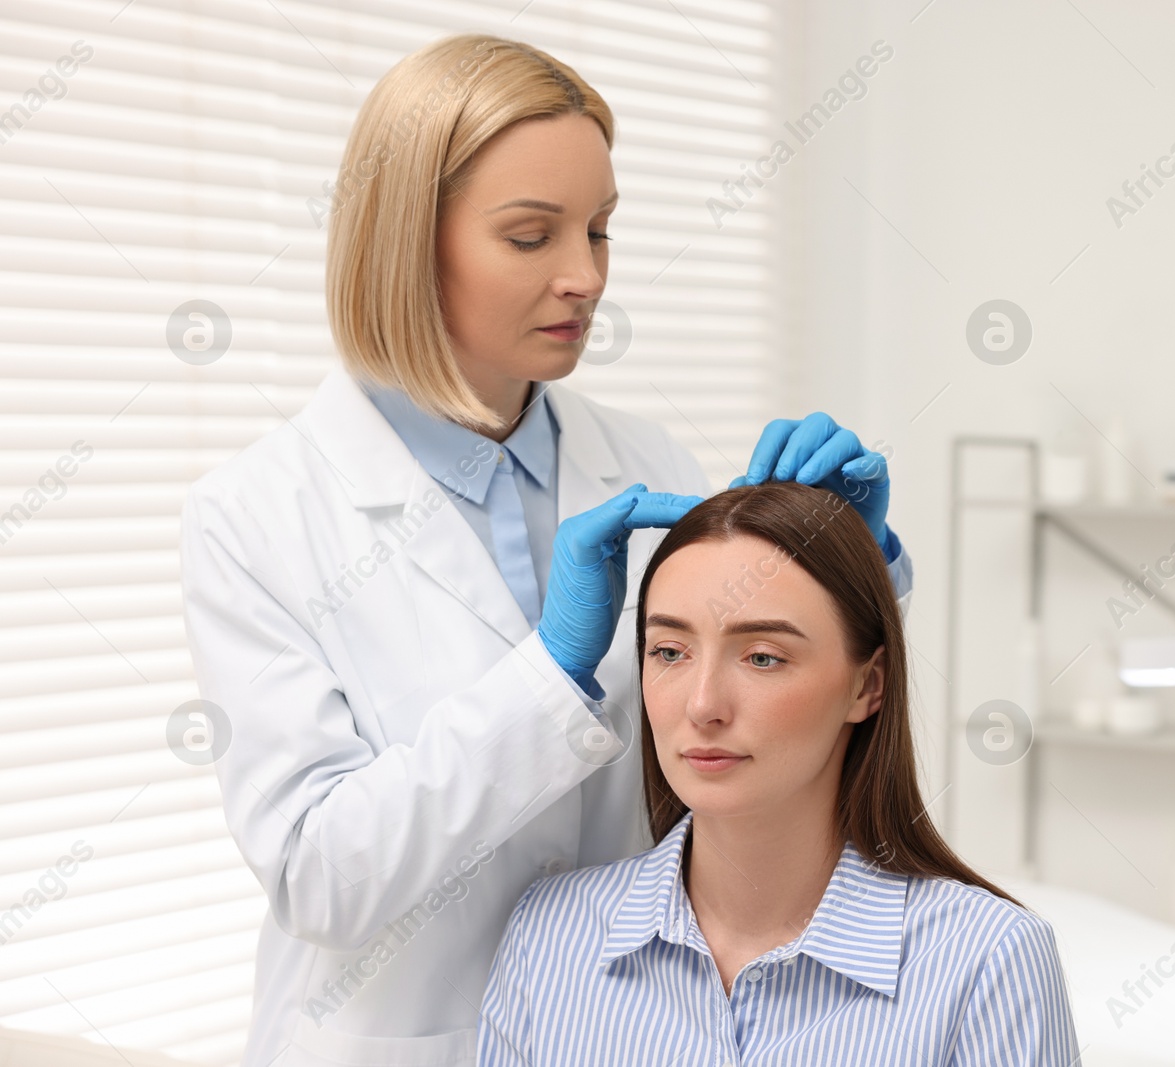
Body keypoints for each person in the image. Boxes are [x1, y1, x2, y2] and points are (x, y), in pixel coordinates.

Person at [177, 34, 911, 1067]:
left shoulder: (642, 460)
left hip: (630, 1029)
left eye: (601, 231)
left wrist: (856, 566)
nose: (585, 277)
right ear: (404, 243)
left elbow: (747, 729)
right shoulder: (257, 513)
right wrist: (551, 673)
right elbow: (321, 878)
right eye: (531, 236)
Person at [478, 481, 1077, 1065]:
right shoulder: (551, 937)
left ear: (867, 685)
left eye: (763, 657)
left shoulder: (986, 960)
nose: (702, 704)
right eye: (669, 652)